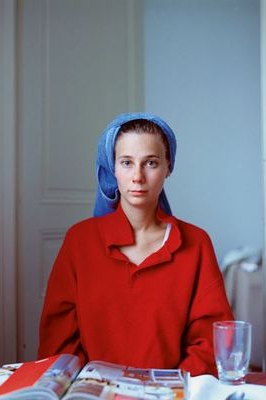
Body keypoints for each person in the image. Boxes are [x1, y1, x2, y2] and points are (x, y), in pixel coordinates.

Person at [38, 112, 233, 377]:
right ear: (113, 169)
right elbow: (59, 344)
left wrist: (167, 389)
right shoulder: (79, 241)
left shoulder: (196, 243)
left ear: (168, 167)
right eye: (127, 162)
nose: (138, 177)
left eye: (151, 163)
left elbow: (209, 341)